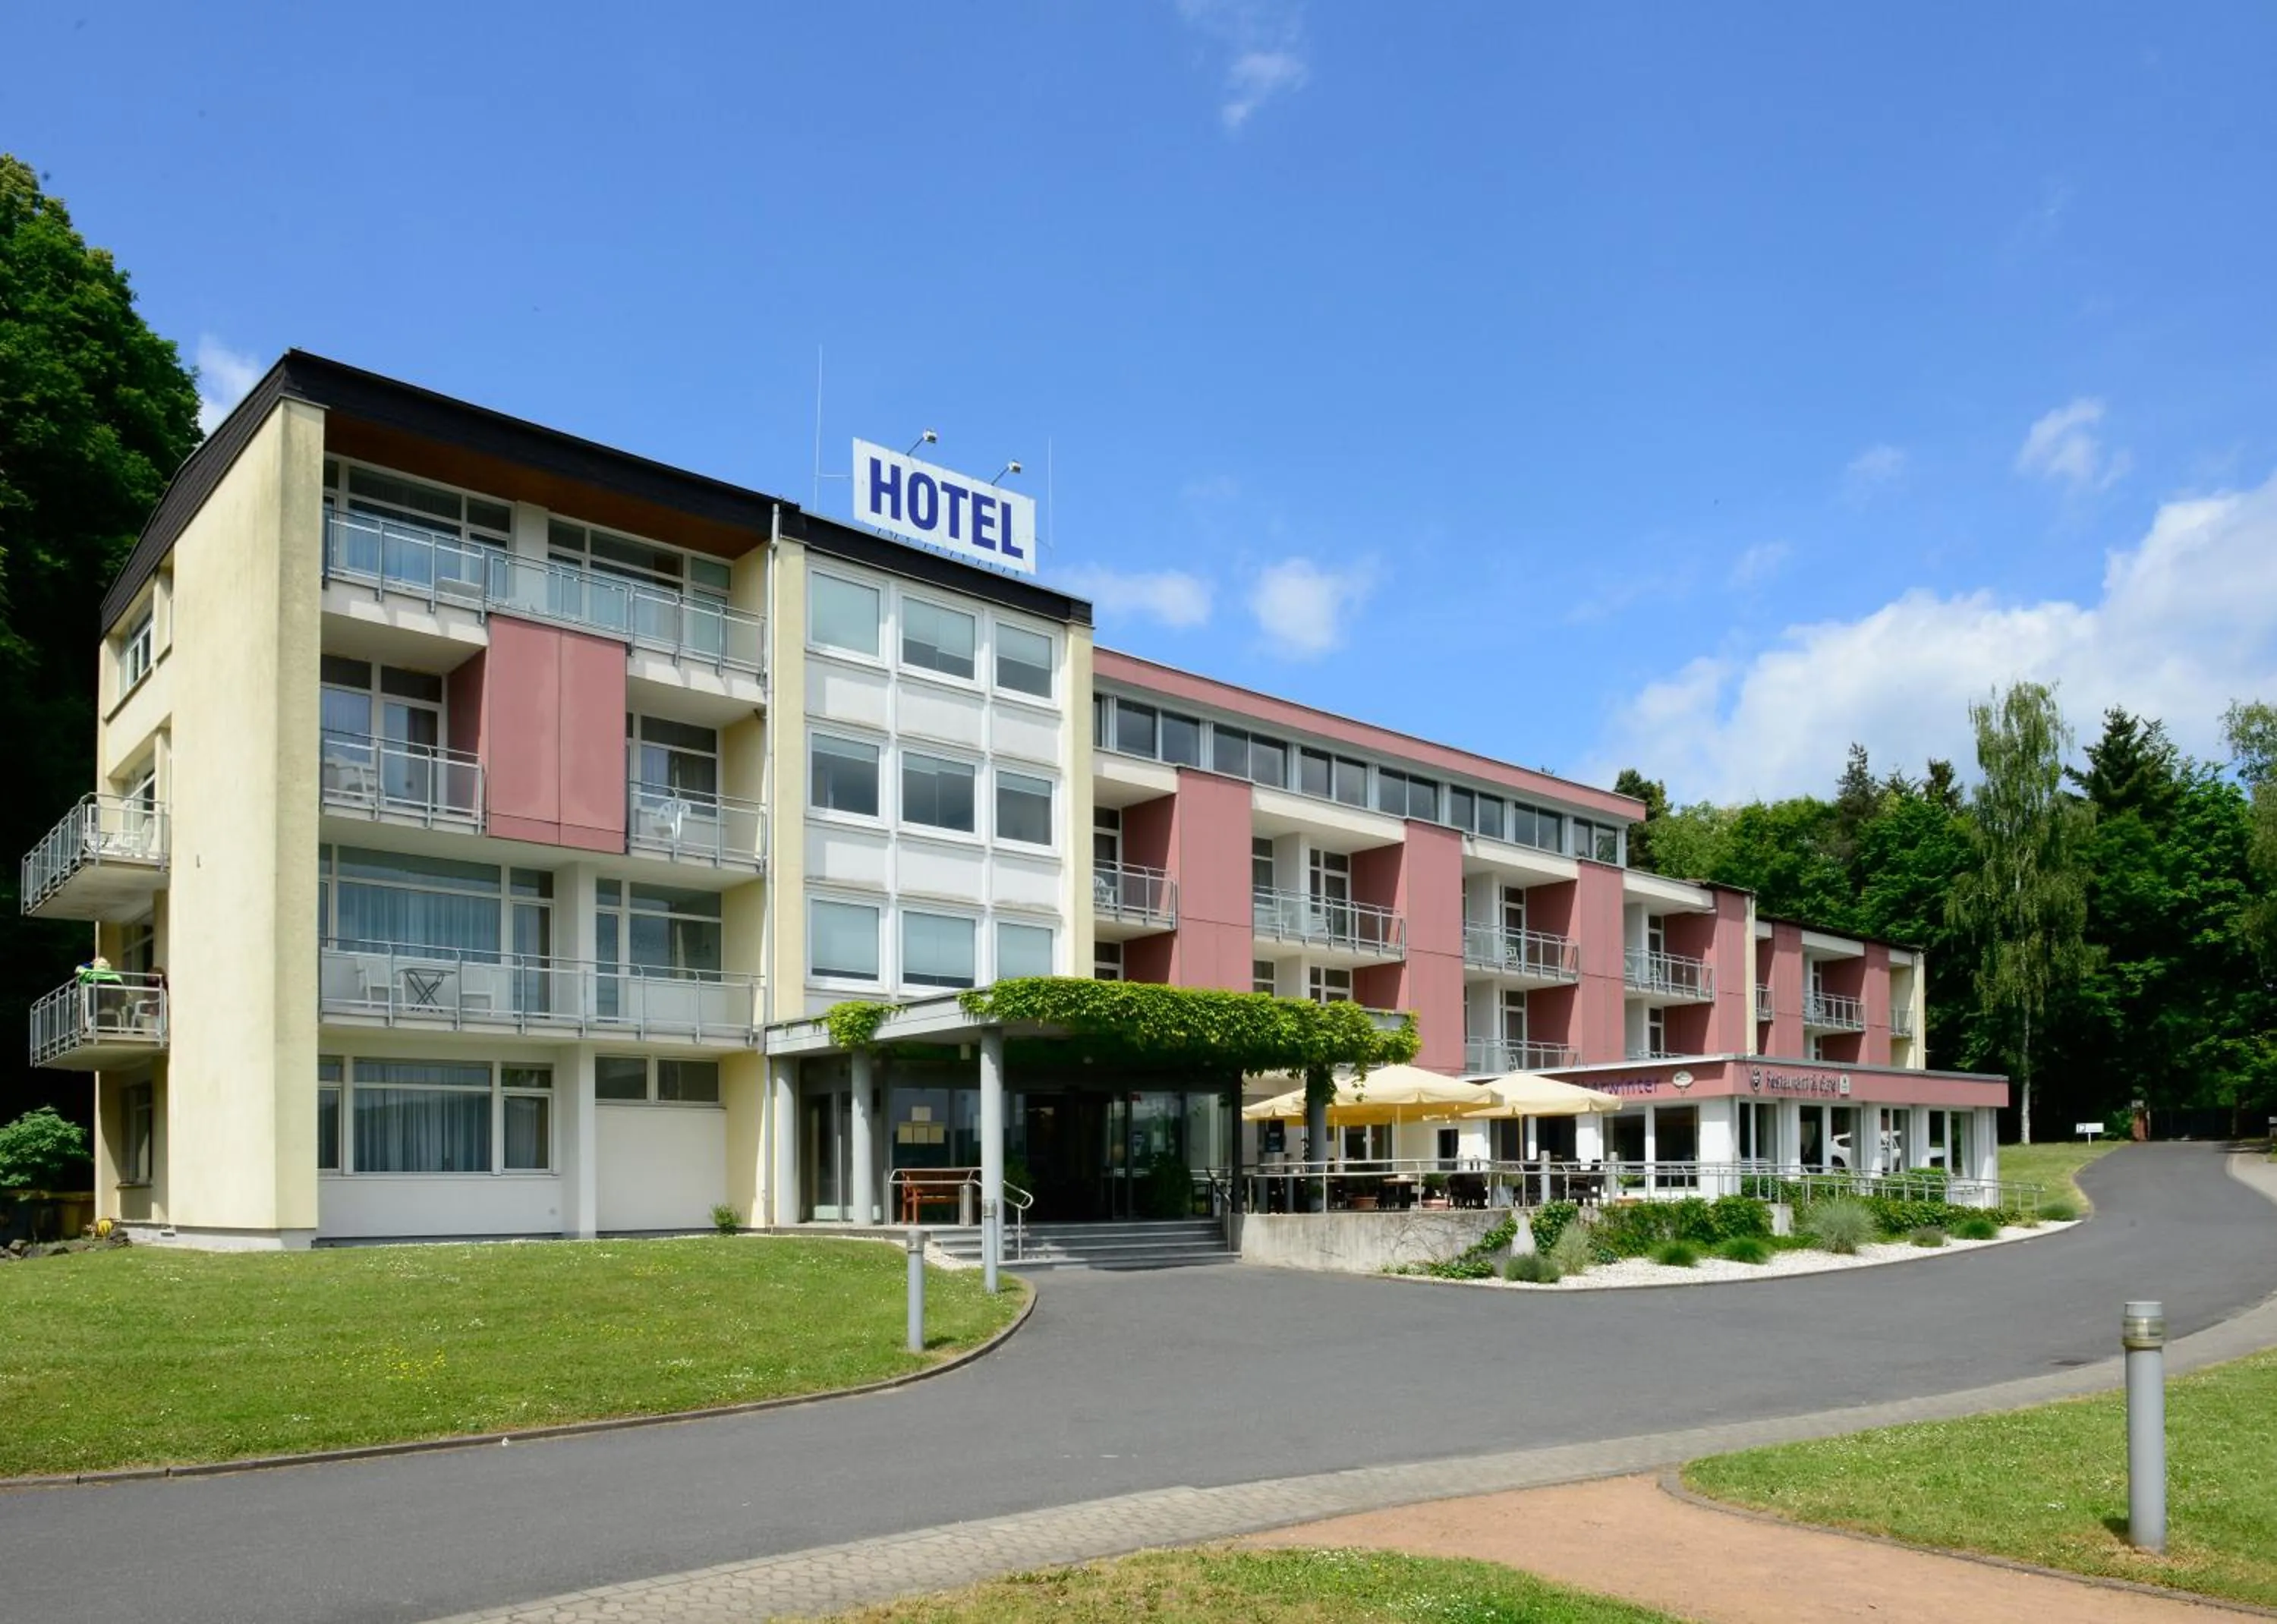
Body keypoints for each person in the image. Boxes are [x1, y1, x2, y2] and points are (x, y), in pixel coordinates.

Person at [75, 954, 124, 1032]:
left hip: (93, 1007)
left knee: (81, 1004)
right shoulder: (116, 977)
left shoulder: (90, 974)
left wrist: (90, 964)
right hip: (114, 1008)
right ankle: (121, 1029)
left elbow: (78, 969)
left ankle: (84, 1028)